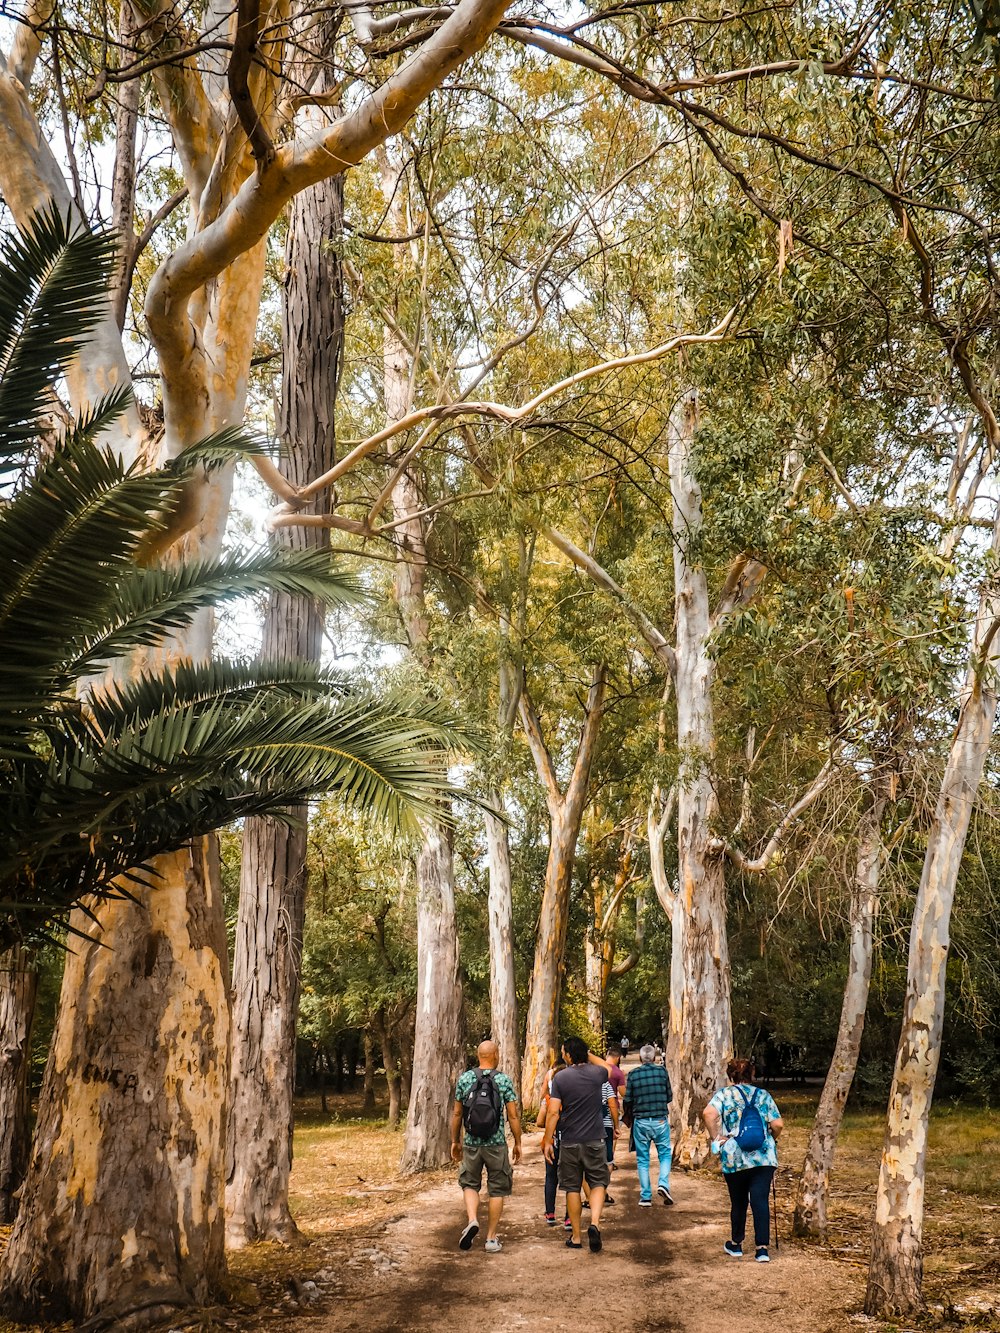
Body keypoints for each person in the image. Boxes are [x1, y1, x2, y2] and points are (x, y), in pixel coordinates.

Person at [703, 1057, 783, 1263]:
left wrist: (716, 1137)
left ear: (730, 1075)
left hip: (734, 1156)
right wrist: (770, 1140)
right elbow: (778, 1124)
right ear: (752, 1074)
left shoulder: (724, 1095)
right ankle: (762, 1249)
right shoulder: (763, 1095)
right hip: (763, 1157)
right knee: (760, 1200)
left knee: (738, 1201)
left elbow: (708, 1113)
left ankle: (736, 1244)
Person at [451, 1039, 522, 1253]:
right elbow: (513, 1115)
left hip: (472, 1142)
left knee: (470, 1184)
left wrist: (456, 1141)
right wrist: (518, 1142)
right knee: (497, 1189)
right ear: (496, 1055)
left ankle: (472, 1220)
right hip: (496, 1143)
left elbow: (457, 1113)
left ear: (478, 1054)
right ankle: (491, 1238)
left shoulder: (465, 1078)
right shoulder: (502, 1080)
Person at [541, 1036, 612, 1252]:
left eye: (564, 1052)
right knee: (598, 1182)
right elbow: (608, 1066)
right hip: (595, 1139)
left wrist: (547, 1139)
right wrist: (586, 1053)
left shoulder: (561, 1078)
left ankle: (576, 1237)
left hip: (570, 1140)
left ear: (569, 1055)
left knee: (572, 1187)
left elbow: (553, 1112)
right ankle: (595, 1223)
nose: (563, 1055)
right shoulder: (597, 1074)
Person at [623, 1043, 674, 1207]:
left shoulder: (633, 1075)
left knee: (643, 1159)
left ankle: (645, 1196)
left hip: (641, 1122)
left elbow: (627, 1100)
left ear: (640, 1058)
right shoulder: (662, 1071)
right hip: (660, 1120)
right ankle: (663, 1184)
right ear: (654, 1058)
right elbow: (669, 1097)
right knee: (665, 1155)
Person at [537, 1058, 568, 1227]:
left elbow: (540, 1121)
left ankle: (550, 1213)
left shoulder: (548, 1100)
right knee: (572, 1179)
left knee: (551, 1177)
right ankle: (570, 1217)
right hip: (571, 1141)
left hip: (553, 1141)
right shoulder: (575, 1098)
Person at [605, 1046, 626, 1171]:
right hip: (612, 1107)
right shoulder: (617, 1072)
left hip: (596, 1106)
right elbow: (622, 1092)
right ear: (617, 1058)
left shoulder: (597, 1068)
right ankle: (610, 1160)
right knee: (613, 1134)